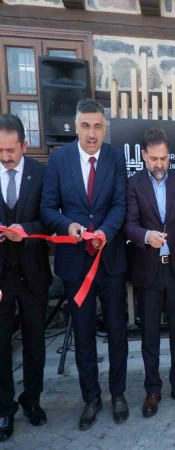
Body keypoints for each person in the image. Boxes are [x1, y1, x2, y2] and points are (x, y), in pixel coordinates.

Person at [41, 98, 129, 430]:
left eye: (98, 127)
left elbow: (120, 205)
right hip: (76, 264)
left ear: (105, 129)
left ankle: (118, 393)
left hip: (110, 259)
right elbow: (47, 208)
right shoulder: (59, 159)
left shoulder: (115, 158)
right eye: (85, 126)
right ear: (75, 127)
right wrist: (67, 226)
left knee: (117, 330)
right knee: (83, 333)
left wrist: (105, 232)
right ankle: (91, 397)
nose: (92, 134)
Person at [123, 128, 175, 418]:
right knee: (150, 335)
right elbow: (129, 224)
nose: (159, 164)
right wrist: (146, 236)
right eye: (154, 158)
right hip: (149, 272)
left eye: (164, 158)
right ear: (144, 155)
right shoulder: (134, 184)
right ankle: (152, 389)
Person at [0, 115, 52, 442]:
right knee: (1, 346)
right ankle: (4, 408)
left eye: (11, 150)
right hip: (1, 278)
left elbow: (49, 220)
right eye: (0, 150)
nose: (5, 156)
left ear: (25, 145)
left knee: (35, 344)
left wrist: (27, 231)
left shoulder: (40, 174)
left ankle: (32, 400)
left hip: (33, 274)